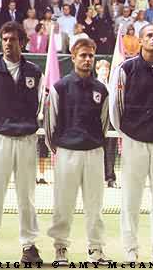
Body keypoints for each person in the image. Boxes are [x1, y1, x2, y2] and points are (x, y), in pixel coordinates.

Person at [0, 21, 44, 264]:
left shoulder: (35, 72)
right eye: (4, 39)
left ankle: (29, 246)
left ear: (22, 42)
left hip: (25, 141)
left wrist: (27, 130)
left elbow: (41, 108)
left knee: (27, 196)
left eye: (13, 39)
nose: (8, 43)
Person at [109, 24, 153, 264]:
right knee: (131, 197)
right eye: (149, 35)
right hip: (134, 141)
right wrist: (128, 133)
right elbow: (115, 108)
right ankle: (130, 248)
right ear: (139, 41)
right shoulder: (125, 69)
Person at [45, 38, 112, 266]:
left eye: (91, 56)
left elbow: (104, 124)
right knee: (63, 204)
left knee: (95, 205)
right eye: (82, 55)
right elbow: (50, 124)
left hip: (94, 153)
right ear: (73, 57)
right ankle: (60, 248)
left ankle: (96, 250)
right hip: (66, 153)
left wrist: (95, 145)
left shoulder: (101, 90)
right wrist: (59, 149)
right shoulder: (60, 87)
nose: (87, 60)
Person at [95, 59, 117, 188]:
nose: (105, 72)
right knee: (98, 151)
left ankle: (110, 178)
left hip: (111, 123)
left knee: (110, 151)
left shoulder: (111, 86)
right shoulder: (94, 85)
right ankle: (98, 178)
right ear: (97, 70)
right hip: (97, 123)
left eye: (107, 69)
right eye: (103, 69)